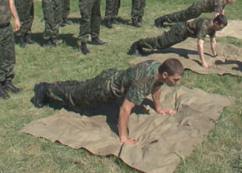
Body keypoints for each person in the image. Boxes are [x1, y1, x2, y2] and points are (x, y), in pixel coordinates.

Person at [33, 58, 184, 145]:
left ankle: (53, 87)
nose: (177, 83)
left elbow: (157, 87)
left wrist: (158, 108)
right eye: (175, 80)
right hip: (103, 90)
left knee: (80, 87)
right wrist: (124, 138)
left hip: (112, 77)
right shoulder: (143, 81)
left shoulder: (158, 69)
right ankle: (44, 89)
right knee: (74, 96)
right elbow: (125, 110)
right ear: (165, 74)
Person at [130, 15, 228, 68]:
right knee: (160, 43)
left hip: (184, 34)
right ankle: (138, 44)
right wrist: (203, 62)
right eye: (220, 27)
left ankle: (141, 44)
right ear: (215, 22)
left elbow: (213, 41)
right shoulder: (205, 25)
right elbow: (200, 45)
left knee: (163, 45)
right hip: (179, 31)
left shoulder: (213, 27)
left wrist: (215, 55)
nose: (220, 30)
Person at [154, 0, 237, 28]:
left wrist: (224, 21)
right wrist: (216, 26)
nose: (234, 1)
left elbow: (222, 13)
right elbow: (217, 16)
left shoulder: (223, 2)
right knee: (180, 16)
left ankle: (162, 20)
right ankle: (160, 20)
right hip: (196, 9)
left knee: (182, 17)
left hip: (198, 10)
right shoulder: (220, 2)